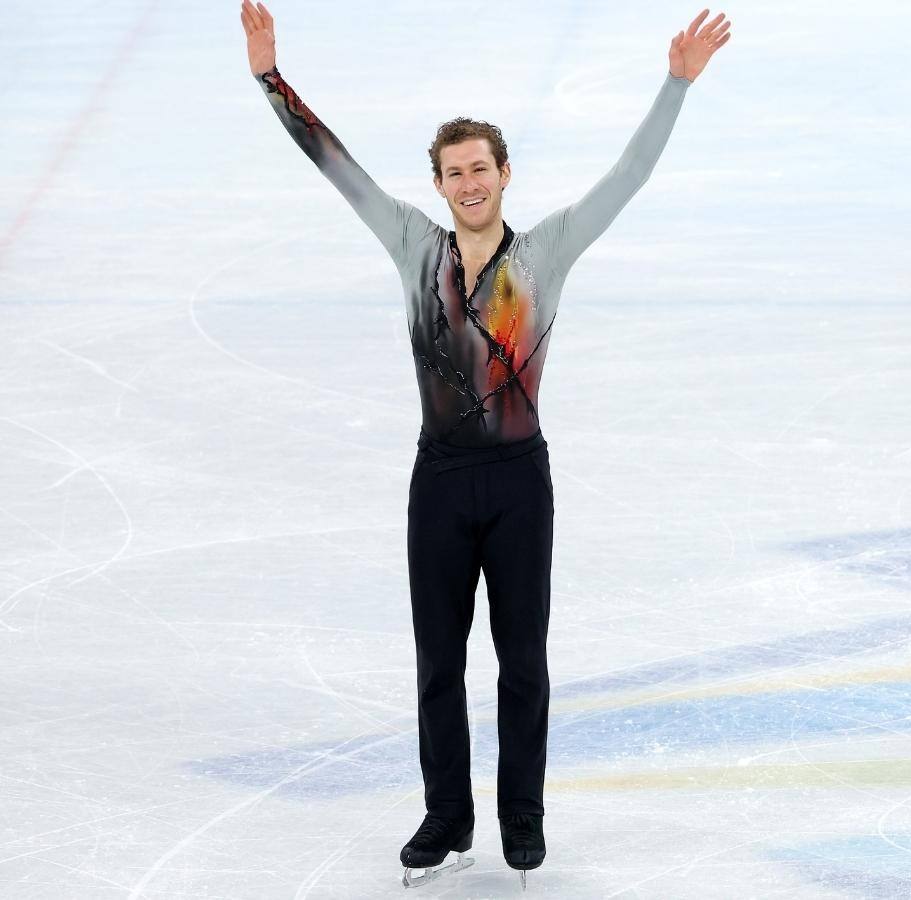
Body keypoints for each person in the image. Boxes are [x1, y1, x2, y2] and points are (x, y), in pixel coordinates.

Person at [238, 0, 732, 888]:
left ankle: (522, 819)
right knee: (439, 664)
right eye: (453, 173)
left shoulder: (545, 255)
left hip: (517, 483)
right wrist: (272, 80)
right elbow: (337, 167)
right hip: (440, 481)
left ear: (505, 174)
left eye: (480, 169)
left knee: (523, 665)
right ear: (437, 185)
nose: (468, 184)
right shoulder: (410, 246)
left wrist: (674, 86)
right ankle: (445, 817)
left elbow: (629, 174)